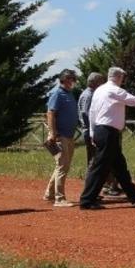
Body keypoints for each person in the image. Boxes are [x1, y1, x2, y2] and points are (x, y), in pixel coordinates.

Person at [78, 66, 135, 209]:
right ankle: (87, 200)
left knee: (119, 165)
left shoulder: (99, 90)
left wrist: (92, 133)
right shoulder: (115, 90)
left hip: (101, 130)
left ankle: (133, 194)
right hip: (108, 132)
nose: (122, 81)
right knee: (100, 167)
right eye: (122, 78)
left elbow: (92, 113)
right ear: (118, 77)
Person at [77, 72, 120, 196]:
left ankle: (103, 186)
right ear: (96, 83)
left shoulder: (91, 93)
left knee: (99, 161)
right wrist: (96, 128)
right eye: (101, 81)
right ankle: (91, 191)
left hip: (94, 131)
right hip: (92, 132)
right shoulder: (88, 95)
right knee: (94, 162)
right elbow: (86, 113)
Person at [42, 69, 79, 207]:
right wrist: (53, 133)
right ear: (62, 80)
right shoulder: (57, 94)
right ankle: (59, 199)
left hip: (69, 135)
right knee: (62, 166)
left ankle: (49, 194)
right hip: (60, 135)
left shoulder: (69, 94)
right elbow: (50, 113)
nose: (72, 81)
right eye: (69, 79)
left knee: (63, 165)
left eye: (73, 79)